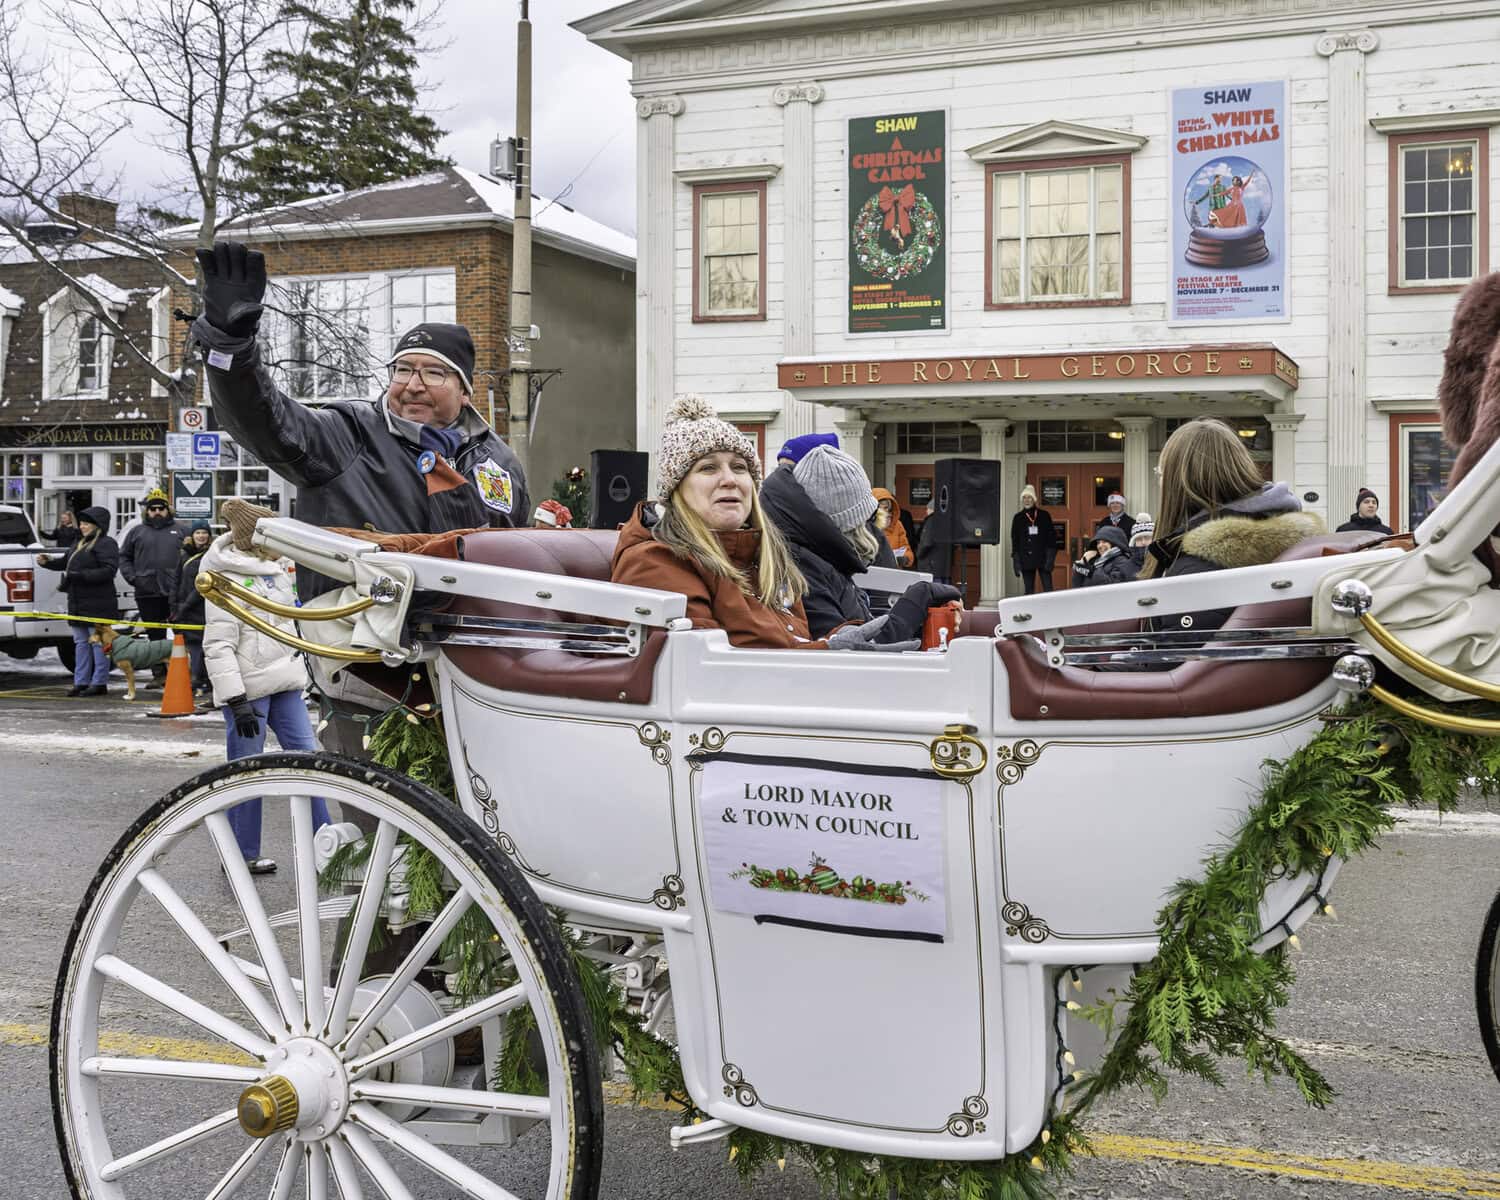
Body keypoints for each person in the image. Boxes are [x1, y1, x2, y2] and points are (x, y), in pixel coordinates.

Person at [190, 241, 530, 602]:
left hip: (475, 647)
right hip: (363, 644)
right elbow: (262, 420)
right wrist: (229, 347)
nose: (413, 386)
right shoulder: (348, 434)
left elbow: (524, 555)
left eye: (433, 373)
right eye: (402, 370)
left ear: (464, 391)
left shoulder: (500, 462)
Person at [611, 395, 952, 651]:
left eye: (740, 467)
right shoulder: (656, 563)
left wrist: (844, 638)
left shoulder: (765, 558)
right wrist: (832, 651)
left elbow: (792, 646)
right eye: (708, 468)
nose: (730, 480)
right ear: (676, 490)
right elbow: (706, 678)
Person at [201, 520, 331, 874]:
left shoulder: (277, 572)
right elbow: (218, 645)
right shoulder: (224, 578)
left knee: (309, 762)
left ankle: (328, 846)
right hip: (248, 691)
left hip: (285, 682)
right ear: (257, 543)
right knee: (247, 771)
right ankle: (240, 853)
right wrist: (234, 699)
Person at [1141, 417, 1324, 633]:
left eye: (1160, 474)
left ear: (1178, 482)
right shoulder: (1289, 545)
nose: (1159, 483)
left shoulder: (1198, 568)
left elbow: (1181, 663)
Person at [35, 506, 118, 696]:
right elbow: (66, 563)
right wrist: (48, 562)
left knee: (98, 644)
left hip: (98, 602)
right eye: (81, 523)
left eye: (87, 524)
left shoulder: (106, 543)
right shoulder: (78, 542)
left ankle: (99, 682)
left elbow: (108, 570)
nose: (83, 527)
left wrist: (80, 576)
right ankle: (80, 681)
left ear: (98, 526)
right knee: (80, 642)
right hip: (77, 601)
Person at [119, 487, 188, 672]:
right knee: (154, 635)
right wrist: (133, 578)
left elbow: (192, 557)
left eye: (161, 508)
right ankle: (158, 673)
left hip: (176, 593)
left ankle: (182, 672)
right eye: (153, 509)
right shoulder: (136, 532)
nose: (157, 512)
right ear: (147, 511)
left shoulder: (182, 530)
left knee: (181, 634)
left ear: (167, 510)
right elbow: (124, 557)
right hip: (147, 592)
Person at [172, 520, 214, 693]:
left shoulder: (211, 555)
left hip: (200, 607)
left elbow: (204, 583)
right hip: (183, 606)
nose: (201, 536)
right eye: (198, 533)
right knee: (191, 645)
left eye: (204, 533)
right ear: (192, 535)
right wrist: (173, 604)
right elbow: (176, 579)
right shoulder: (184, 554)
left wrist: (186, 606)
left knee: (201, 645)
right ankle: (197, 677)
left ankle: (201, 678)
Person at [1010, 485, 1057, 594]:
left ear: (1034, 499)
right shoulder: (1018, 518)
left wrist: (1050, 559)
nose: (1027, 500)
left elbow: (1052, 538)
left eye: (1029, 497)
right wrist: (1016, 561)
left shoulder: (1044, 516)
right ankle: (1029, 611)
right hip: (1025, 559)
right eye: (1024, 497)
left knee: (1048, 589)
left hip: (1043, 558)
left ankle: (1050, 610)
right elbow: (1015, 540)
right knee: (1028, 590)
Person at [1072, 525, 1139, 587]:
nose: (1100, 546)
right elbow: (1077, 586)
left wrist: (1092, 572)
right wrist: (1081, 563)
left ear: (1114, 543)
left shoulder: (1122, 561)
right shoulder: (1094, 562)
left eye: (1104, 542)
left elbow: (1114, 585)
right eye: (1098, 542)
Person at [872, 487, 914, 567]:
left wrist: (906, 558)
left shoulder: (897, 524)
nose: (884, 511)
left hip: (894, 570)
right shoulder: (865, 525)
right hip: (873, 571)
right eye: (880, 507)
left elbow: (906, 548)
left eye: (886, 508)